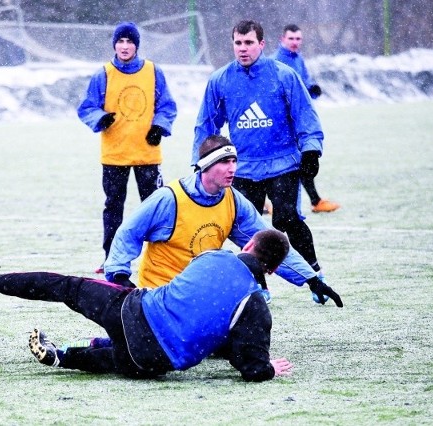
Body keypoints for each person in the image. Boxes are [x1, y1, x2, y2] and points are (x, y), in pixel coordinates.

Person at [0, 229, 295, 382]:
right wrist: (266, 368)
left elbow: (190, 292)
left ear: (248, 244)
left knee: (65, 287)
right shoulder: (256, 306)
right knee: (116, 360)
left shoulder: (215, 256)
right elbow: (249, 366)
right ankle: (62, 356)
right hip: (153, 360)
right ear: (275, 270)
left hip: (133, 312)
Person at [105, 135, 343, 306]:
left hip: (200, 294)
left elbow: (267, 244)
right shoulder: (169, 198)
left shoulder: (232, 200)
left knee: (250, 323)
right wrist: (119, 275)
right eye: (224, 162)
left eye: (233, 162)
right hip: (163, 296)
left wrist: (311, 279)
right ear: (205, 167)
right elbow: (128, 232)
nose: (232, 169)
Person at [192, 20, 328, 280]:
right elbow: (206, 124)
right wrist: (200, 161)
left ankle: (314, 273)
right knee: (246, 230)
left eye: (249, 43)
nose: (243, 49)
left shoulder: (283, 74)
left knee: (286, 218)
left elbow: (305, 115)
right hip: (243, 167)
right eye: (238, 43)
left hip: (282, 164)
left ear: (262, 44)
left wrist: (311, 150)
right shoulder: (220, 80)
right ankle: (259, 284)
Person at [77, 21, 177, 273]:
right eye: (120, 41)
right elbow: (87, 107)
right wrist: (100, 118)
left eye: (129, 41)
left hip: (147, 153)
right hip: (115, 155)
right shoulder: (103, 74)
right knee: (113, 207)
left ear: (136, 45)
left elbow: (166, 105)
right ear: (114, 45)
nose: (124, 46)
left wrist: (159, 127)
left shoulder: (153, 72)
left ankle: (160, 257)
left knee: (155, 206)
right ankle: (111, 257)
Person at [273, 24, 340, 214]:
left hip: (298, 119)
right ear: (282, 39)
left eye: (298, 39)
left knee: (302, 161)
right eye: (291, 39)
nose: (295, 43)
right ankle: (312, 201)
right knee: (292, 162)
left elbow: (303, 83)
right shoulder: (276, 61)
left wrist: (312, 88)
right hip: (285, 122)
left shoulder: (298, 59)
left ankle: (314, 201)